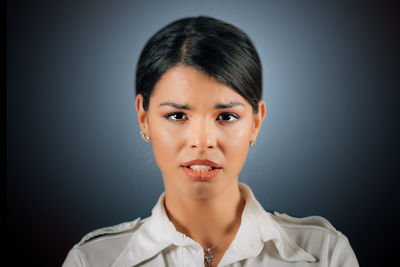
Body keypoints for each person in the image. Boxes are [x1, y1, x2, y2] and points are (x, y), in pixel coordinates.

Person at [62, 16, 359, 267]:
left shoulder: (324, 254)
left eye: (226, 117)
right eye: (177, 115)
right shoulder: (93, 260)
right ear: (144, 117)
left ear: (256, 121)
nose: (202, 141)